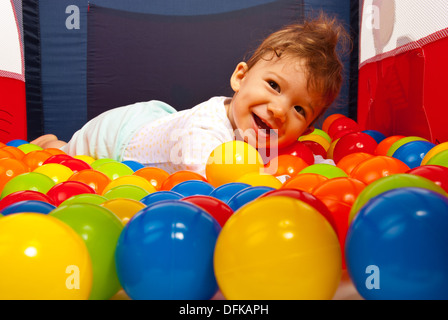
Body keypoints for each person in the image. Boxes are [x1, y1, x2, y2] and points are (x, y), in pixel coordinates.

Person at [32, 13, 349, 177]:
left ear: (307, 128)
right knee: (68, 157)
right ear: (240, 77)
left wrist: (328, 167)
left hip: (165, 123)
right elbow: (208, 175)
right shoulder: (205, 130)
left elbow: (313, 165)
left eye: (299, 109)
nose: (279, 109)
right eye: (274, 86)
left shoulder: (271, 139)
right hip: (120, 134)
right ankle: (49, 142)